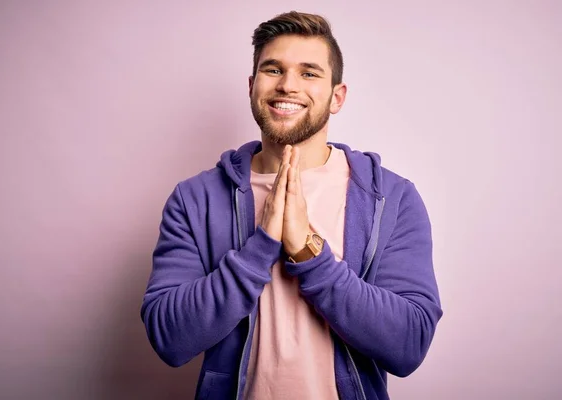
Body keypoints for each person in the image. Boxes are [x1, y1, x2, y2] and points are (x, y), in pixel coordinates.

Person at [141, 10, 442, 400]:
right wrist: (260, 246)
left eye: (309, 73)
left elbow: (409, 344)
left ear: (337, 97)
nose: (288, 85)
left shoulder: (392, 199)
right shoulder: (194, 198)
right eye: (273, 69)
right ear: (252, 86)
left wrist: (309, 252)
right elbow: (169, 337)